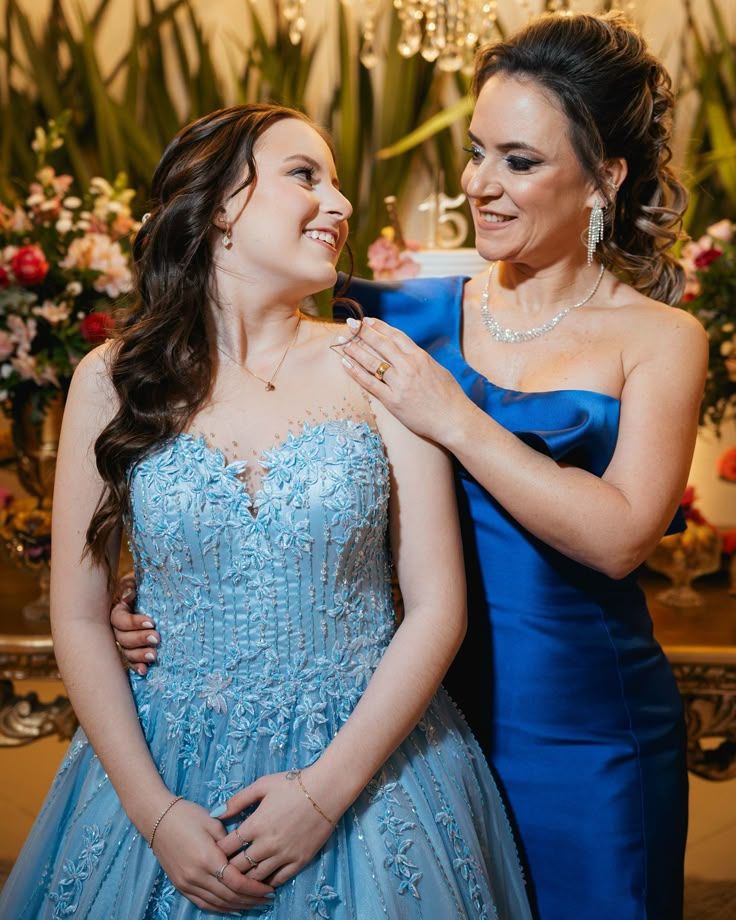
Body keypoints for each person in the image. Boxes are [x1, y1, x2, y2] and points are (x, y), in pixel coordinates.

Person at [112, 11, 706, 920]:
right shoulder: (383, 311)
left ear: (605, 177)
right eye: (476, 152)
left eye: (519, 161)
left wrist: (454, 417)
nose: (480, 184)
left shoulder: (661, 338)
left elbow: (622, 537)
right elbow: (233, 421)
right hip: (402, 729)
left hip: (585, 727)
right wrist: (165, 583)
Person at [0, 104, 532, 919]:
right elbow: (77, 615)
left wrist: (322, 796)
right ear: (219, 204)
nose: (340, 204)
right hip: (163, 764)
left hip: (369, 764)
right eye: (304, 175)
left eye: (337, 183)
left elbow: (437, 609)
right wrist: (155, 813)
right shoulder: (111, 379)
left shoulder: (382, 365)